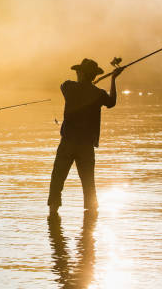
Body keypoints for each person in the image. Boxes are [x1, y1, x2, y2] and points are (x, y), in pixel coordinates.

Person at [48, 58, 123, 214]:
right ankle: (90, 223)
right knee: (89, 184)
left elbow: (63, 85)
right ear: (94, 76)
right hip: (86, 145)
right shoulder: (98, 94)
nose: (76, 73)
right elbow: (112, 102)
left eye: (78, 71)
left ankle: (53, 216)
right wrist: (113, 79)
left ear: (81, 73)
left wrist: (86, 86)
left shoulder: (69, 87)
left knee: (57, 180)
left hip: (67, 143)